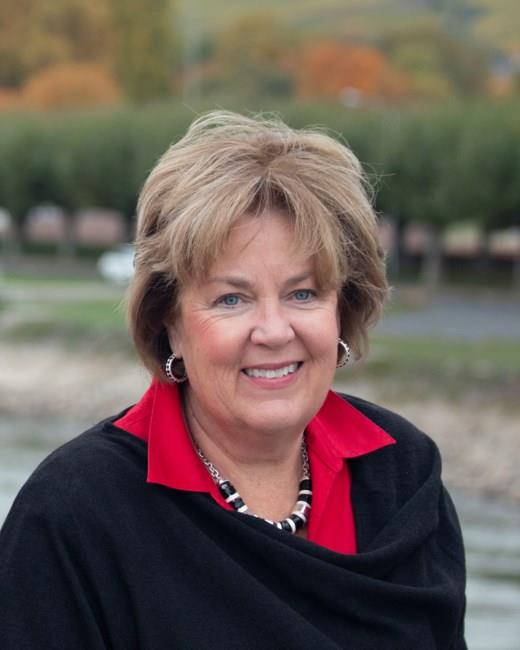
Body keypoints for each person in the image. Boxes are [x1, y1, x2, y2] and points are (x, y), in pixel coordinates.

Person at [0, 111, 466, 649]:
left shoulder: (403, 472)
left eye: (303, 293)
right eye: (231, 299)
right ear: (168, 320)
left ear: (344, 307)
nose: (273, 331)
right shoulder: (73, 513)